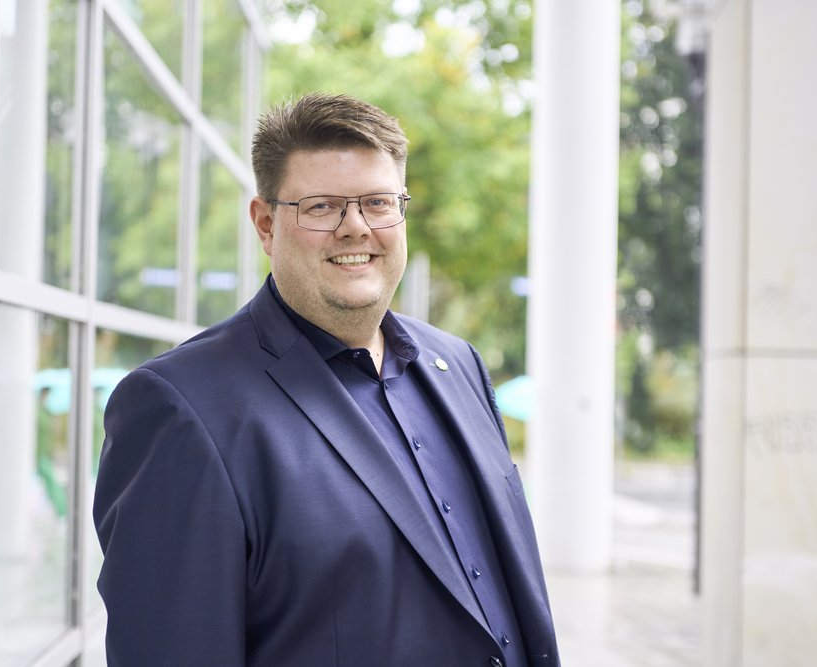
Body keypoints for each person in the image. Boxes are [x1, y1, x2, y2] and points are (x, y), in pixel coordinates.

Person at [93, 92, 560, 666]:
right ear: (266, 224)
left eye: (378, 202)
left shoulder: (458, 363)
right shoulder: (181, 408)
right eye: (322, 207)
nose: (355, 228)